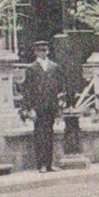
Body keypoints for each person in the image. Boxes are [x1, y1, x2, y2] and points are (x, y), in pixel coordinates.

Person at [25, 40, 62, 172]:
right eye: (40, 50)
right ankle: (41, 164)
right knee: (40, 135)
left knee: (49, 134)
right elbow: (28, 90)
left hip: (50, 106)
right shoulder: (31, 68)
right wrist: (30, 109)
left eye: (45, 50)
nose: (43, 52)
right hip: (38, 107)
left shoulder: (54, 67)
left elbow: (57, 89)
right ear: (35, 52)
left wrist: (58, 111)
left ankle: (49, 163)